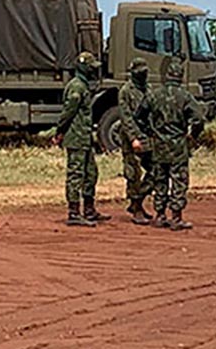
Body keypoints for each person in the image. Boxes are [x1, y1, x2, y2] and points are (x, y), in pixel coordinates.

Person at [135, 58, 204, 231]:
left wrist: (149, 131)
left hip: (159, 145)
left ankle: (160, 215)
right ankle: (176, 217)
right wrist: (192, 136)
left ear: (167, 76)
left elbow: (139, 115)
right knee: (179, 181)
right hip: (178, 146)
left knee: (160, 180)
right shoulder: (185, 96)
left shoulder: (154, 95)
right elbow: (199, 119)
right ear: (180, 76)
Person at [55, 52, 111, 227]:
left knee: (91, 173)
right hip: (76, 138)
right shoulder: (77, 87)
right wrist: (59, 132)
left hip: (85, 138)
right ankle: (73, 212)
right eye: (91, 67)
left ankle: (89, 209)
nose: (93, 71)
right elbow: (68, 113)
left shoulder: (83, 86)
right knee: (75, 174)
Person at [118, 58, 154, 226]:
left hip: (148, 137)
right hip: (132, 139)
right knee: (133, 173)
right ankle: (137, 206)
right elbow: (125, 118)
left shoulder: (149, 89)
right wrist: (133, 138)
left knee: (155, 170)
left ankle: (137, 201)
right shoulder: (125, 91)